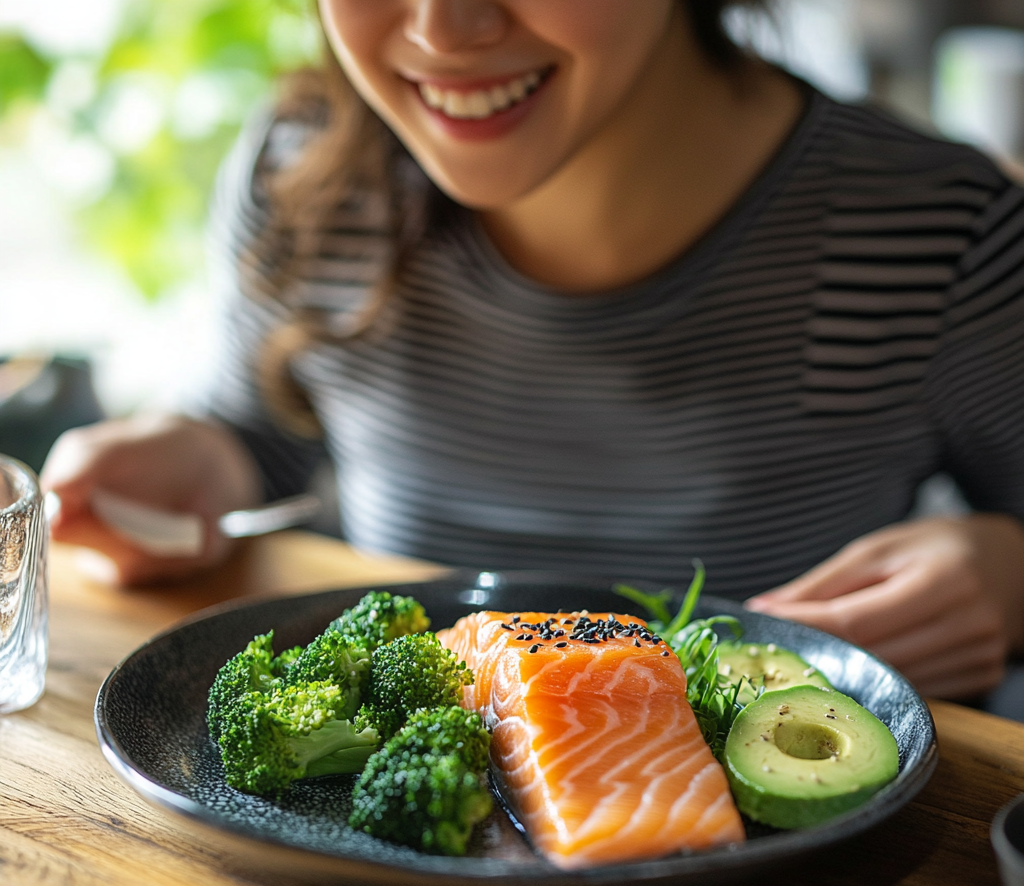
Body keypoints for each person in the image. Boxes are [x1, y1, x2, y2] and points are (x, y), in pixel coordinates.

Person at [42, 0, 1024, 701]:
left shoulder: (944, 231)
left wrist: (1011, 576)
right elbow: (262, 432)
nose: (441, 28)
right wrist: (195, 456)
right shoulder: (304, 174)